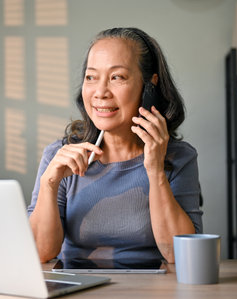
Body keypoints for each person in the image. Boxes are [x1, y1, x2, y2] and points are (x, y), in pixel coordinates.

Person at [27, 27, 202, 264]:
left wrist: (155, 170)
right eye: (91, 77)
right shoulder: (59, 156)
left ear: (149, 86)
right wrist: (50, 182)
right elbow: (39, 253)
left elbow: (179, 255)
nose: (100, 92)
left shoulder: (178, 157)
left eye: (117, 77)